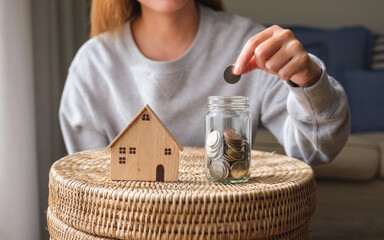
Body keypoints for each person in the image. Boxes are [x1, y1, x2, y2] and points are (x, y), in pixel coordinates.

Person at [59, 0, 350, 164]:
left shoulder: (248, 44)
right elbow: (93, 188)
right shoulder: (93, 64)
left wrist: (309, 81)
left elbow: (316, 149)